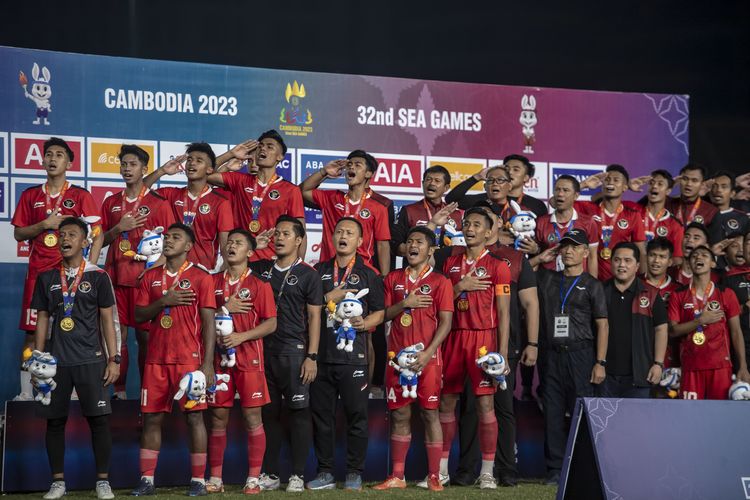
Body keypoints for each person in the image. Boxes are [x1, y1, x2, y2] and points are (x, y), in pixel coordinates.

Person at [31, 217, 119, 500]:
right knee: (54, 422)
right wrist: (38, 357)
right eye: (61, 234)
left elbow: (108, 319)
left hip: (91, 359)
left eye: (71, 234)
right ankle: (58, 482)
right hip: (56, 363)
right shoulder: (47, 278)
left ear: (84, 241)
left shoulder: (97, 276)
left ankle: (103, 481)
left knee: (99, 421)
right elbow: (43, 318)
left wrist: (113, 358)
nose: (65, 239)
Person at [452, 202, 539, 488]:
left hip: (502, 345)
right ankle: (466, 470)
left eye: (484, 220)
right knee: (467, 408)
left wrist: (531, 343)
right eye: (471, 221)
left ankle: (506, 469)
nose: (474, 226)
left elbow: (528, 303)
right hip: (464, 342)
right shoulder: (455, 257)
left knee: (502, 408)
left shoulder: (514, 258)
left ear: (495, 226)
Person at [12, 137, 103, 400]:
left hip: (72, 277)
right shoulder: (30, 195)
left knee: (72, 330)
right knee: (32, 335)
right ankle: (27, 392)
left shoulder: (80, 195)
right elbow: (19, 234)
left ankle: (72, 393)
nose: (53, 159)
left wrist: (90, 267)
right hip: (38, 276)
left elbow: (97, 234)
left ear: (69, 162)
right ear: (42, 160)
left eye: (59, 155)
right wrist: (45, 224)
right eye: (49, 154)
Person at [132, 223, 217, 497]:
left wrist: (207, 365)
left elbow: (208, 323)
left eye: (175, 237)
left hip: (189, 362)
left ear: (189, 246)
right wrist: (163, 301)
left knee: (195, 419)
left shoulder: (202, 277)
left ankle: (198, 481)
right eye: (166, 237)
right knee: (152, 420)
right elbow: (139, 316)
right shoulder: (150, 277)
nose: (168, 241)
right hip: (156, 360)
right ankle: (146, 481)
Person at [373, 226, 453, 492]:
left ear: (431, 250)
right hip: (398, 359)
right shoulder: (393, 278)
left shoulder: (441, 282)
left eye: (419, 242)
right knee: (400, 415)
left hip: (428, 359)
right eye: (409, 241)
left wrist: (429, 352)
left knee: (431, 414)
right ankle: (398, 476)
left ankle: (433, 476)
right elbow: (384, 314)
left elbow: (446, 322)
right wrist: (404, 304)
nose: (412, 245)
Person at [307, 218, 385, 491]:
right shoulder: (317, 271)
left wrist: (368, 322)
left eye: (350, 233)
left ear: (360, 241)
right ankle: (325, 472)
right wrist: (332, 295)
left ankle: (354, 472)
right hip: (323, 356)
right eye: (339, 231)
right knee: (322, 417)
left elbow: (379, 311)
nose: (343, 236)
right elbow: (310, 309)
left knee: (356, 416)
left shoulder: (369, 273)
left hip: (354, 358)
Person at [439, 208, 511, 490]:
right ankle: (441, 470)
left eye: (477, 224)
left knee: (485, 405)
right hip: (454, 338)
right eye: (466, 223)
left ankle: (488, 472)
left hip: (484, 342)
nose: (469, 228)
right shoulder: (450, 263)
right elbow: (442, 302)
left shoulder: (499, 265)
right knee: (447, 403)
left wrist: (502, 353)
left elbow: (504, 312)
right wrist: (460, 286)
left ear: (489, 232)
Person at [249, 216, 323, 492]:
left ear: (299, 240)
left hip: (294, 352)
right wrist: (255, 245)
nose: (279, 238)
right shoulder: (260, 268)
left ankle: (297, 475)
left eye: (286, 234)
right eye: (277, 233)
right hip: (262, 350)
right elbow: (226, 272)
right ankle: (270, 473)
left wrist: (312, 356)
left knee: (299, 413)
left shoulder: (308, 274)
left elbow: (315, 317)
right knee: (269, 414)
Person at [206, 229, 277, 495]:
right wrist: (225, 305)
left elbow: (271, 323)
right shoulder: (211, 282)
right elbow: (199, 316)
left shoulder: (260, 285)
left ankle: (253, 479)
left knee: (252, 417)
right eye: (229, 242)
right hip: (217, 360)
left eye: (238, 243)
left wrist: (241, 337)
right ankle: (215, 478)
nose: (231, 246)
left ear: (250, 252)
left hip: (249, 358)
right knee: (217, 418)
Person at [535, 228, 608, 485]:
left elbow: (602, 325)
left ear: (585, 252)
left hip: (582, 354)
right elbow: (519, 272)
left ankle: (584, 465)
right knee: (552, 412)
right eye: (565, 246)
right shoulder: (548, 279)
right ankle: (555, 469)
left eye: (574, 246)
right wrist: (540, 258)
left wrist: (600, 362)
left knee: (582, 412)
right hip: (552, 355)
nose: (568, 250)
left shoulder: (592, 284)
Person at [101, 145, 175, 398]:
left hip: (144, 283)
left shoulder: (159, 203)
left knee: (146, 342)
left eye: (132, 164)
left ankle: (147, 393)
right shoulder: (111, 202)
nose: (126, 169)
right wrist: (117, 228)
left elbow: (168, 246)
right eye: (123, 164)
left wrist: (153, 271)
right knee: (118, 340)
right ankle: (118, 393)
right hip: (115, 282)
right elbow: (99, 241)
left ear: (144, 169)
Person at [206, 130, 306, 261]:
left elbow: (300, 232)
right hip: (242, 260)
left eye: (269, 146)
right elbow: (206, 175)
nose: (263, 149)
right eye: (260, 146)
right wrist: (230, 154)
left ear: (280, 156)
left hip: (272, 261)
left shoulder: (290, 189)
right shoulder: (239, 180)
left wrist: (298, 266)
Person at [668, 245, 750, 399]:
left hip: (720, 366)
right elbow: (673, 331)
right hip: (691, 366)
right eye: (694, 256)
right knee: (689, 416)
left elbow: (736, 332)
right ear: (689, 263)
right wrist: (700, 320)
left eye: (704, 255)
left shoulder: (726, 293)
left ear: (713, 263)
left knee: (719, 417)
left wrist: (743, 367)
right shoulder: (678, 295)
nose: (698, 258)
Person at [143, 143, 233, 271]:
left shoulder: (220, 202)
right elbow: (140, 193)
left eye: (199, 160)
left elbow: (225, 245)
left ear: (209, 170)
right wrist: (161, 171)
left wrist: (226, 271)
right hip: (170, 271)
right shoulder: (171, 194)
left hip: (203, 272)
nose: (192, 163)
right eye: (189, 160)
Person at [300, 150, 391, 275]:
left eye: (358, 165)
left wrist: (385, 277)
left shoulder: (378, 208)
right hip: (328, 270)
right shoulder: (331, 198)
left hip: (362, 271)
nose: (351, 167)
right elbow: (301, 192)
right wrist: (324, 172)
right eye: (349, 165)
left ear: (368, 173)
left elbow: (382, 245)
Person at [600, 242, 667, 398]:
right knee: (605, 422)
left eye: (628, 260)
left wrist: (658, 364)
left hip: (639, 376)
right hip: (604, 375)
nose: (622, 265)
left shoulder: (651, 294)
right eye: (617, 260)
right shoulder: (599, 292)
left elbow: (661, 329)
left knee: (636, 422)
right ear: (611, 263)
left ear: (637, 266)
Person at [577, 164, 647, 280]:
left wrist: (643, 282)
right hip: (592, 281)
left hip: (620, 283)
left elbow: (641, 253)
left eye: (616, 180)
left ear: (625, 187)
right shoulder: (588, 208)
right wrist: (583, 185)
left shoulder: (633, 215)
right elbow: (555, 203)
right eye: (607, 180)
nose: (610, 183)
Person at [535, 175, 599, 277]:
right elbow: (536, 257)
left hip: (577, 283)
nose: (560, 194)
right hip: (548, 283)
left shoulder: (588, 222)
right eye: (557, 189)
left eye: (565, 190)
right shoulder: (541, 222)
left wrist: (593, 286)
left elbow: (592, 257)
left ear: (576, 195)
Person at [392, 165, 462, 255]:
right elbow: (398, 248)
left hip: (446, 267)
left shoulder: (456, 214)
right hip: (417, 268)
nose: (432, 183)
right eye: (428, 179)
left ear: (446, 187)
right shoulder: (409, 211)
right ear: (422, 183)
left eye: (437, 181)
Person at [643, 237, 686, 368]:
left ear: (670, 262)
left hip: (671, 355)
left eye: (662, 257)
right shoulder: (634, 284)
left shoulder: (679, 290)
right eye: (652, 255)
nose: (656, 261)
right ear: (646, 257)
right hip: (640, 351)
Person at [638, 170, 685, 266]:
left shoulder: (675, 224)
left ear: (668, 191)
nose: (654, 186)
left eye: (660, 184)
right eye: (651, 183)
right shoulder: (634, 214)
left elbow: (677, 259)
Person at [720, 231, 750, 372]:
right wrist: (745, 307)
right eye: (748, 242)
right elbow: (722, 314)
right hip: (740, 345)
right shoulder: (729, 278)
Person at [708, 171, 749, 247]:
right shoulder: (701, 214)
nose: (718, 190)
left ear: (732, 194)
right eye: (714, 186)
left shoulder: (743, 218)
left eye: (724, 187)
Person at [505, 154, 549, 218]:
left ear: (526, 178)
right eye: (506, 169)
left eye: (516, 170)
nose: (509, 172)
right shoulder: (487, 200)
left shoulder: (537, 205)